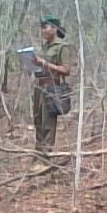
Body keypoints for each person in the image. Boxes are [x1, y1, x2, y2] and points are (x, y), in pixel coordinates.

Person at [30, 15, 71, 168]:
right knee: (38, 120)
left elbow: (66, 70)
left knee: (48, 123)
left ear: (54, 29)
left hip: (52, 88)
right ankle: (38, 154)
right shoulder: (45, 47)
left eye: (45, 27)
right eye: (42, 28)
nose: (43, 30)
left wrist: (44, 63)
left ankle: (45, 158)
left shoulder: (62, 47)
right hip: (39, 88)